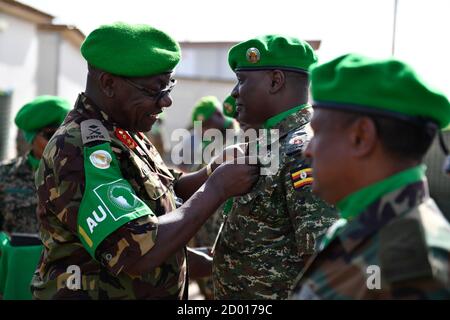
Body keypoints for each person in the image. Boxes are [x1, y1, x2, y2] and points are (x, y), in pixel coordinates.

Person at [31, 22, 258, 300]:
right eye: (155, 89)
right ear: (108, 84)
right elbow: (137, 249)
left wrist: (213, 170)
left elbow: (167, 190)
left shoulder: (123, 130)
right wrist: (217, 189)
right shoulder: (79, 148)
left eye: (169, 85)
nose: (166, 102)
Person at [291, 53, 450, 299]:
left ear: (361, 136)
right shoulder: (364, 225)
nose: (307, 150)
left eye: (317, 132)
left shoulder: (413, 269)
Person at [213, 35, 337, 299]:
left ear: (275, 81)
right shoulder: (269, 144)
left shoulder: (301, 151)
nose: (235, 92)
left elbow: (321, 263)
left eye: (242, 80)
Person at [0, 95, 70, 234]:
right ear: (31, 137)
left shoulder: (79, 173)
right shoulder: (4, 175)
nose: (59, 142)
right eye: (51, 135)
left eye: (64, 135)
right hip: (20, 255)